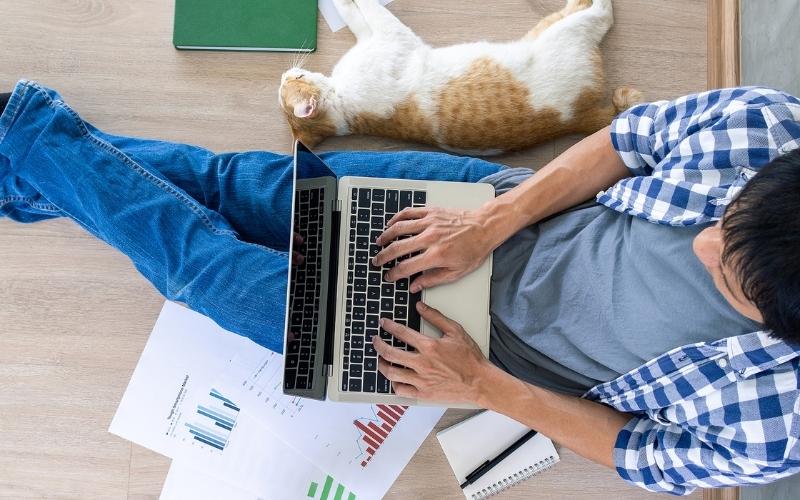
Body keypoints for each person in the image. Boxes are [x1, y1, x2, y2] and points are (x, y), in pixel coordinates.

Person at [1, 80, 798, 494]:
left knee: (202, 270)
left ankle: (29, 137)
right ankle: (31, 162)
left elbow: (643, 455)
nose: (701, 237)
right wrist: (492, 221)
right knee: (236, 188)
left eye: (722, 267)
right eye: (727, 216)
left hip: (466, 353)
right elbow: (631, 138)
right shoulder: (772, 130)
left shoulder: (780, 425)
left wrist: (482, 386)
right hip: (487, 218)